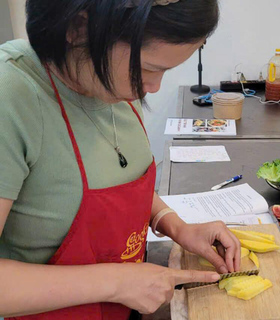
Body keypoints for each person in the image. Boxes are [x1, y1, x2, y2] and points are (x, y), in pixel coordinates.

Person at [0, 0, 242, 319]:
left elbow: (115, 180)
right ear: (80, 29)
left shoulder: (106, 81)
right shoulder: (12, 98)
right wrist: (116, 283)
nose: (153, 88)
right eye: (147, 69)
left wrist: (177, 226)